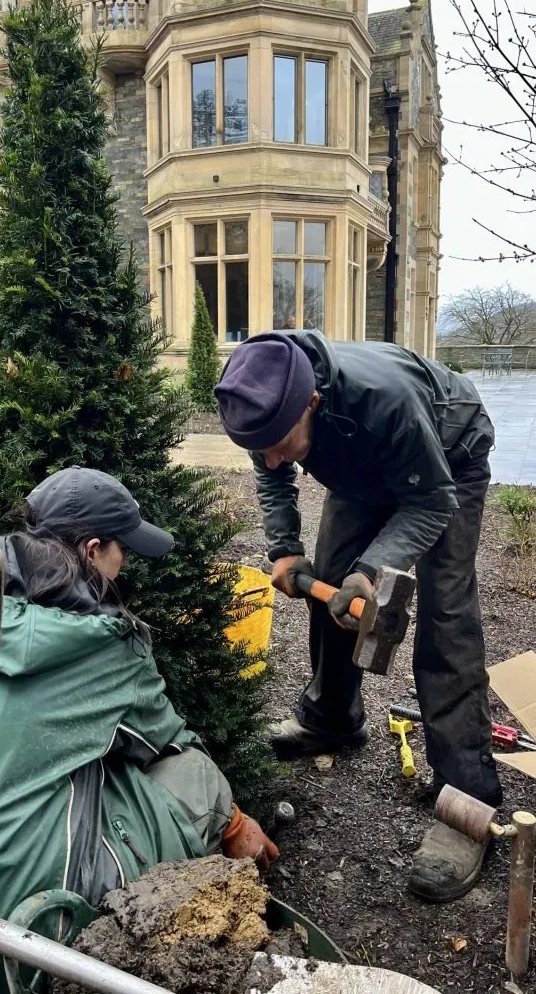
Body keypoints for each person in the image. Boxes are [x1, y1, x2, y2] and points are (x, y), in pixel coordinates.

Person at [0, 467, 277, 994]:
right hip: (7, 954)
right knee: (191, 774)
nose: (128, 563)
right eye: (123, 550)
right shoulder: (107, 646)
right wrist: (232, 822)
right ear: (92, 550)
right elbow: (168, 741)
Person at [214, 330, 502, 904]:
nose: (270, 456)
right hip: (362, 468)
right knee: (332, 583)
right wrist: (284, 549)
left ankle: (467, 802)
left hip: (445, 459)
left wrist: (376, 570)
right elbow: (272, 474)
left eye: (279, 442)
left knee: (446, 618)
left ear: (313, 402)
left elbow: (429, 501)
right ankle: (332, 719)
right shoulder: (262, 396)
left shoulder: (384, 399)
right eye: (258, 445)